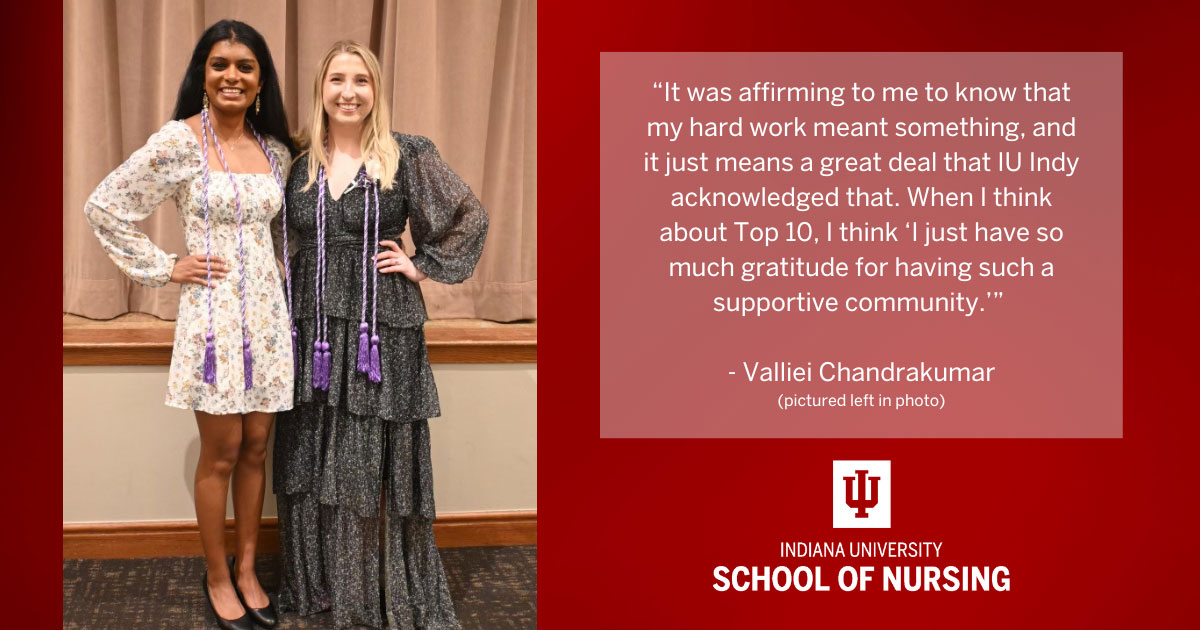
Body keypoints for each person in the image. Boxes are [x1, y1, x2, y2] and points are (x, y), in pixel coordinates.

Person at [84, 20, 295, 630]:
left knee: (258, 447)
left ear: (261, 81)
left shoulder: (276, 149)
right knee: (223, 451)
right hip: (213, 318)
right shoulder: (180, 142)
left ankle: (250, 568)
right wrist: (165, 266)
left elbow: (287, 236)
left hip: (268, 318)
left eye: (246, 66)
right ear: (203, 74)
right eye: (221, 64)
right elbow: (107, 206)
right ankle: (216, 574)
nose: (233, 75)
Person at [272, 40, 488, 629]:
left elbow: (472, 216)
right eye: (337, 79)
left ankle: (379, 592)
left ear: (377, 90)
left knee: (369, 458)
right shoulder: (295, 160)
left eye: (361, 80)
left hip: (379, 327)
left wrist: (422, 266)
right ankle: (319, 586)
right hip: (311, 330)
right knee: (312, 453)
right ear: (321, 88)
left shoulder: (406, 153)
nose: (348, 92)